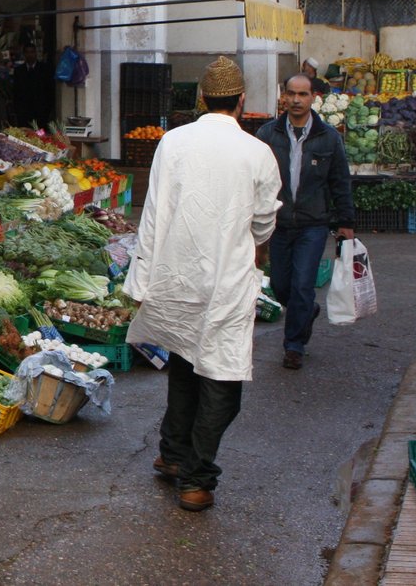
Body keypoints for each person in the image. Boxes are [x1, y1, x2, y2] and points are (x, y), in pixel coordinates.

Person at [125, 56, 282, 512]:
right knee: (221, 380)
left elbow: (153, 213)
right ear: (241, 102)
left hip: (176, 276)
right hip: (226, 283)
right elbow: (263, 223)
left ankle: (173, 456)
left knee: (184, 366)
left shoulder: (173, 142)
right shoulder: (257, 152)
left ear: (200, 100)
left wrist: (140, 280)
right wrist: (248, 237)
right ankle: (195, 477)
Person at [257, 72, 355, 371]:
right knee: (282, 285)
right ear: (283, 97)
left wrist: (345, 223)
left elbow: (340, 181)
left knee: (302, 284)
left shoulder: (328, 137)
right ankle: (305, 311)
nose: (296, 100)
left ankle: (294, 346)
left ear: (314, 98)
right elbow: (256, 180)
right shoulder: (267, 135)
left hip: (314, 223)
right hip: (279, 222)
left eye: (303, 95)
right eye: (291, 94)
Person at [11, 44, 54, 127]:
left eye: (32, 52)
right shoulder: (19, 71)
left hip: (41, 111)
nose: (30, 55)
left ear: (36, 53)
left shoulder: (44, 69)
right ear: (24, 54)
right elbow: (16, 91)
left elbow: (49, 90)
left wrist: (47, 109)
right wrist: (17, 109)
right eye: (27, 52)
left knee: (40, 135)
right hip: (24, 112)